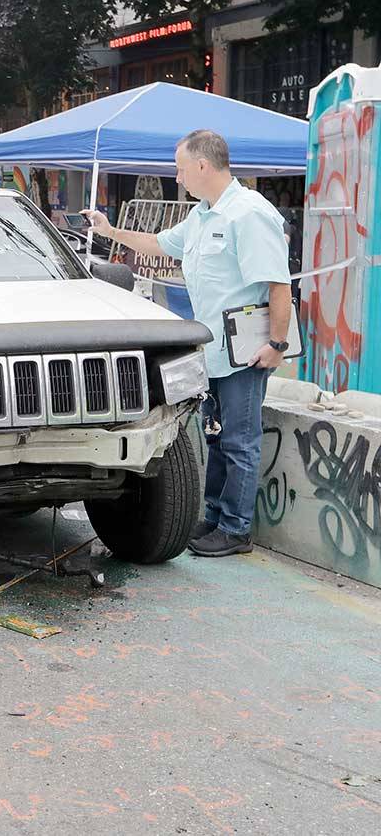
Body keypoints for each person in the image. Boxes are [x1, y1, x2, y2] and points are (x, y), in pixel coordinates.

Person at [83, 129, 291, 558]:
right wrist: (110, 230)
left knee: (240, 440)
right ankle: (214, 517)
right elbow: (160, 243)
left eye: (180, 168)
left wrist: (278, 344)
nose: (177, 177)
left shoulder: (248, 214)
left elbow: (278, 285)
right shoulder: (202, 215)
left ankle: (235, 530)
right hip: (211, 350)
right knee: (216, 436)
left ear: (202, 165)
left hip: (245, 352)